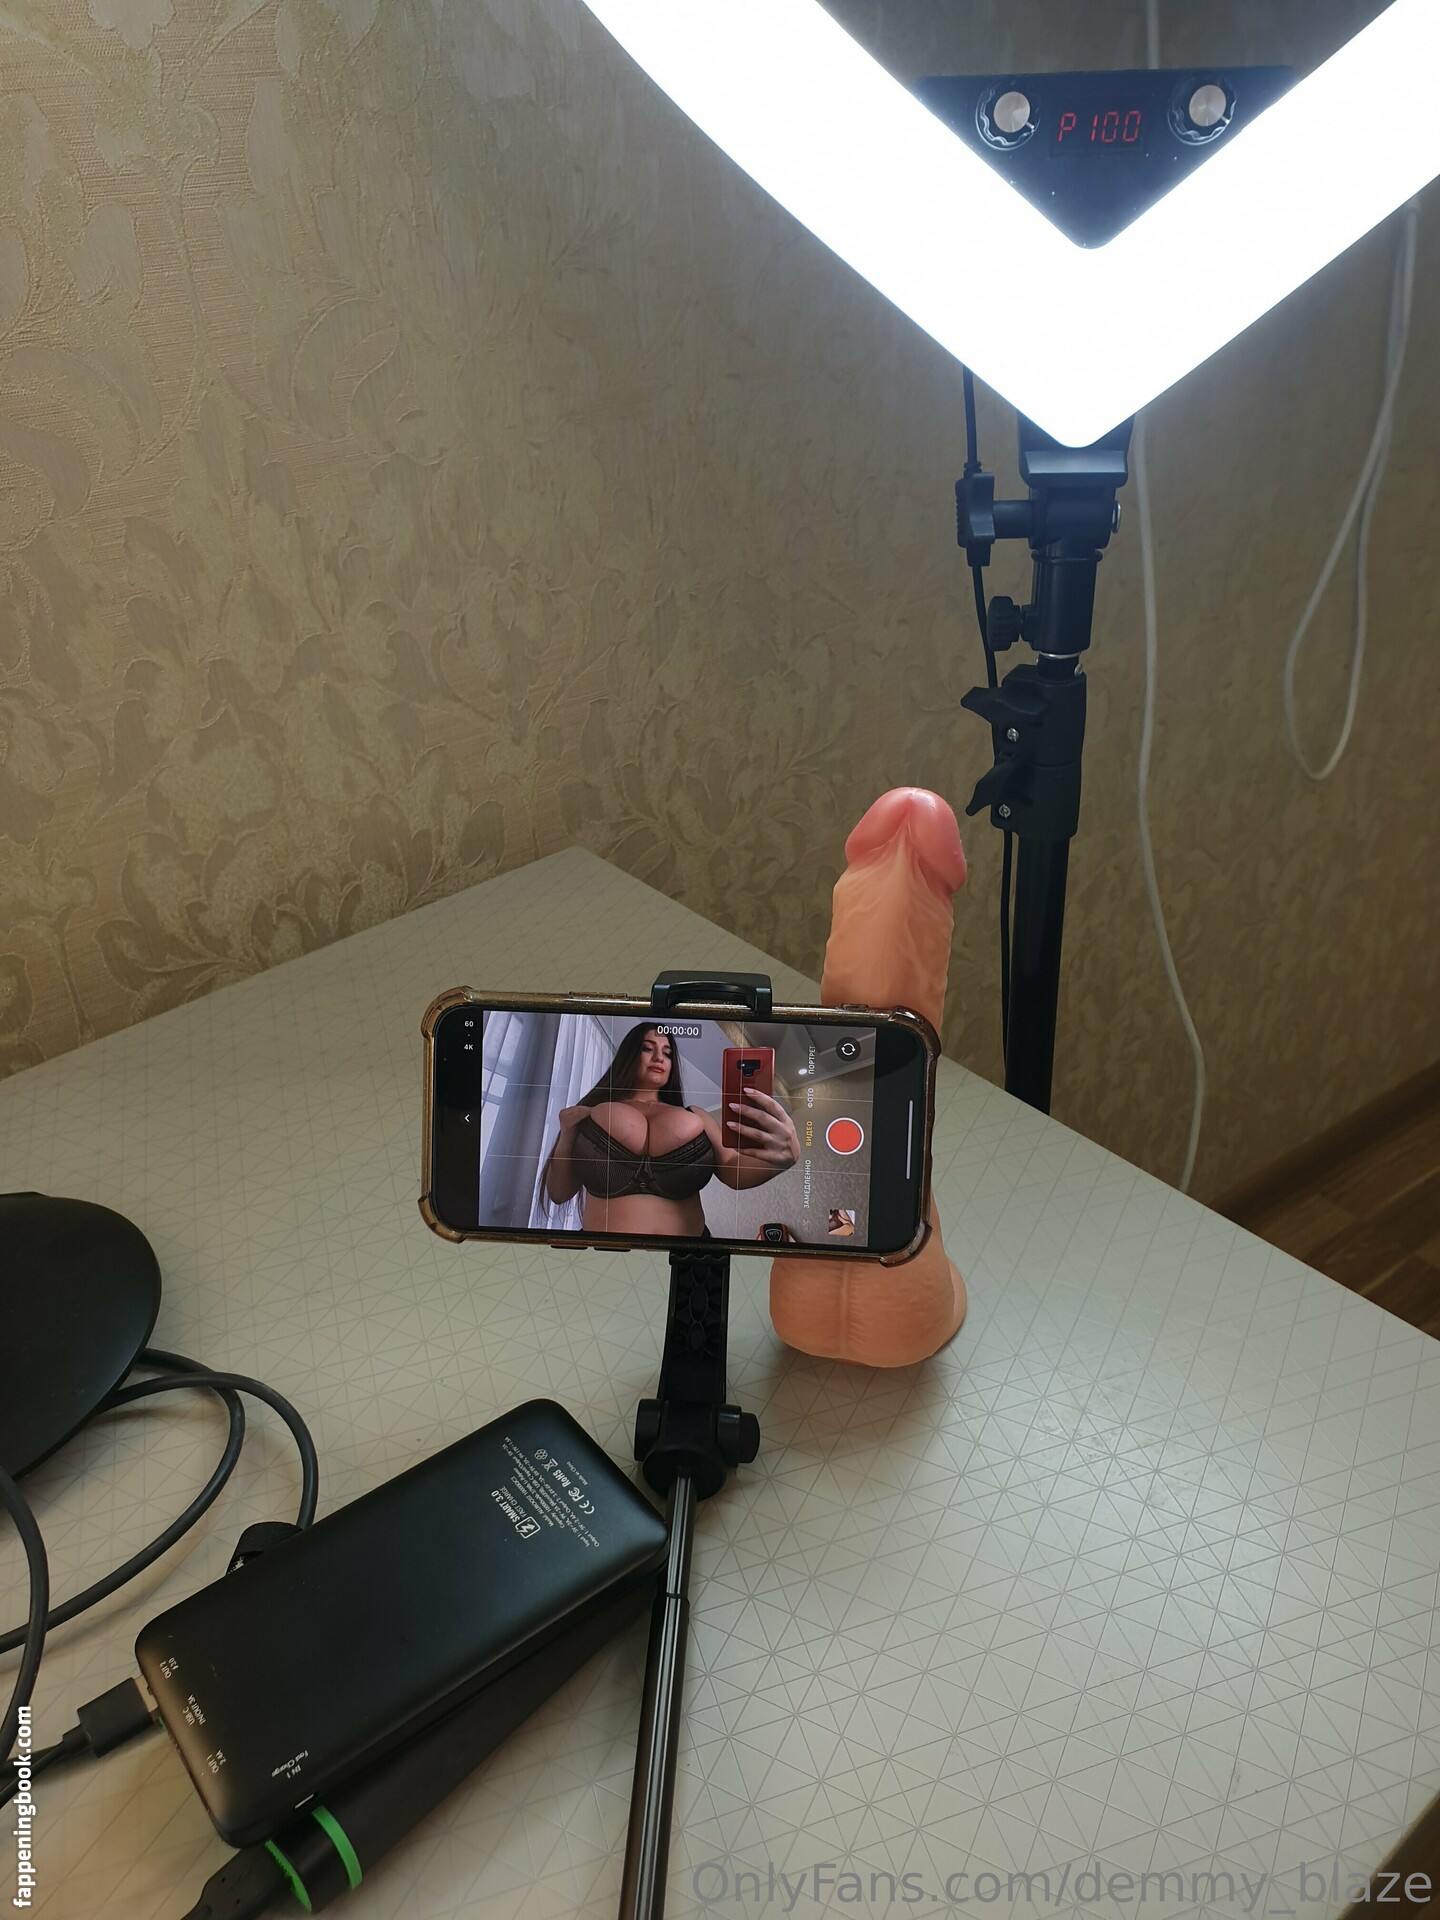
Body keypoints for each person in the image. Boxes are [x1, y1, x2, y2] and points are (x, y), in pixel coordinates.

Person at [542, 1024, 799, 1239]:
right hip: (604, 1258)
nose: (659, 1058)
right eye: (648, 1048)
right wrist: (566, 1134)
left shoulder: (696, 1115)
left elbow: (733, 1168)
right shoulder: (589, 1113)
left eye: (667, 1053)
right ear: (628, 1055)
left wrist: (782, 1161)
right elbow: (559, 1193)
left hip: (690, 1260)